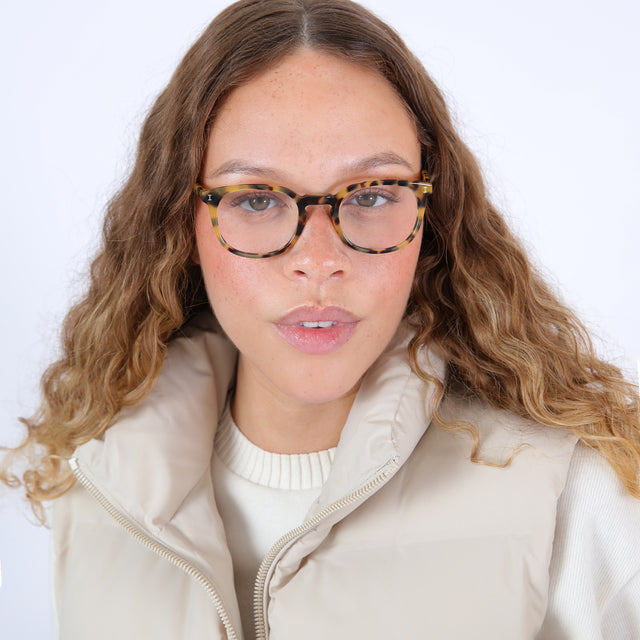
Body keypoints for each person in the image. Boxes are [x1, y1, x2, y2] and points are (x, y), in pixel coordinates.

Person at [2, 0, 639, 638]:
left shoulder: (571, 494)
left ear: (433, 218)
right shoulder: (95, 485)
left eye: (370, 195)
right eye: (255, 199)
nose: (317, 261)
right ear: (178, 223)